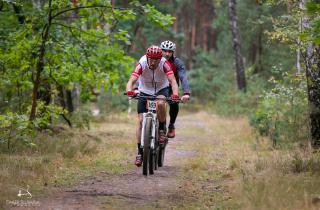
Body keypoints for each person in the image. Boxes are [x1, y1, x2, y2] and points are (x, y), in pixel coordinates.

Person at [126, 45, 179, 167]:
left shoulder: (165, 64)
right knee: (140, 120)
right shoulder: (142, 63)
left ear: (160, 59)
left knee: (160, 103)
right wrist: (130, 90)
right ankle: (140, 152)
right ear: (147, 57)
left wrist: (175, 94)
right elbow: (131, 80)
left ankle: (161, 129)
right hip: (144, 90)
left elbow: (173, 81)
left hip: (161, 89)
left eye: (156, 60)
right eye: (151, 59)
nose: (154, 62)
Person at [160, 40, 191, 138]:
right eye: (165, 51)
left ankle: (171, 125)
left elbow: (183, 77)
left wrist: (186, 92)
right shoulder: (156, 60)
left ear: (173, 52)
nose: (167, 53)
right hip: (158, 87)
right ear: (161, 51)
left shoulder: (178, 63)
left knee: (174, 103)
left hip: (171, 88)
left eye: (169, 51)